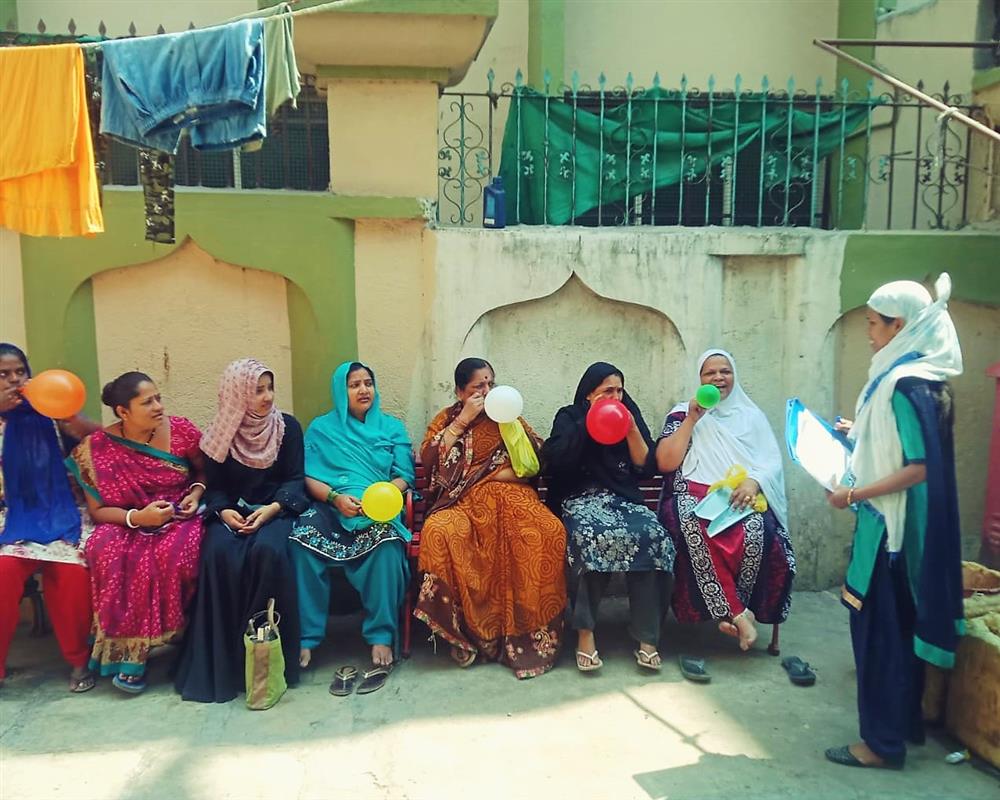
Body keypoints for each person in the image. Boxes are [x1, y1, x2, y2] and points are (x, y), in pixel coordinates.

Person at [824, 274, 963, 770]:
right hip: (902, 533)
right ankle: (903, 726)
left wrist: (853, 492)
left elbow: (917, 466)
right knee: (899, 629)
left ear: (898, 325)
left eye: (872, 323)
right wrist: (857, 432)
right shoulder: (918, 375)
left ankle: (880, 745)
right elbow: (896, 443)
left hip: (888, 532)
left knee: (878, 634)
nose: (868, 332)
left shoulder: (904, 386)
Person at [414, 358, 567, 679]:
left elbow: (536, 459)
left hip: (513, 499)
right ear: (460, 392)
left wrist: (501, 474)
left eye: (490, 384)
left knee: (548, 531)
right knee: (439, 532)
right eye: (477, 387)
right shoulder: (447, 419)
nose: (487, 392)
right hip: (463, 503)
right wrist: (462, 422)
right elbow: (428, 461)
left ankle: (528, 637)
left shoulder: (509, 415)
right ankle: (464, 636)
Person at [173, 359, 306, 703]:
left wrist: (272, 510)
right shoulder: (220, 434)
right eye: (257, 390)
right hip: (231, 513)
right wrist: (225, 511)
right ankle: (227, 664)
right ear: (238, 395)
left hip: (275, 511)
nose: (266, 397)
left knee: (268, 552)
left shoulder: (287, 428)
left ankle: (267, 661)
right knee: (218, 554)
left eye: (269, 388)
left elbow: (294, 480)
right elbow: (214, 488)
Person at [656, 349, 794, 676]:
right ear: (699, 379)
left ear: (734, 377)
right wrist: (693, 418)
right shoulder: (682, 414)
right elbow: (665, 462)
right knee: (693, 526)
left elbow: (770, 460)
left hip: (737, 494)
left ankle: (733, 614)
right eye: (710, 373)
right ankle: (735, 613)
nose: (718, 378)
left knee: (759, 532)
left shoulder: (751, 416)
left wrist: (754, 481)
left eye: (725, 372)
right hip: (690, 493)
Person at [66, 371, 205, 694]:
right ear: (123, 412)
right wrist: (137, 518)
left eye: (158, 398)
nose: (158, 406)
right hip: (125, 520)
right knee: (107, 550)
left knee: (175, 553)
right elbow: (99, 511)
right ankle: (131, 655)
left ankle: (177, 639)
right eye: (147, 402)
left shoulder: (182, 431)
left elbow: (204, 472)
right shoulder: (96, 448)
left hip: (180, 516)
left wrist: (196, 493)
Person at [542, 362, 675, 673]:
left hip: (623, 500)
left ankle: (647, 636)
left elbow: (645, 464)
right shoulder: (569, 416)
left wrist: (629, 428)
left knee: (652, 537)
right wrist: (587, 424)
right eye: (607, 391)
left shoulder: (628, 412)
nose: (616, 396)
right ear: (589, 394)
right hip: (580, 500)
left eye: (619, 390)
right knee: (590, 537)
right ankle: (585, 635)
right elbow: (556, 462)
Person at [290, 362, 413, 695]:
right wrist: (334, 497)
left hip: (378, 508)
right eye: (354, 384)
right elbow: (309, 476)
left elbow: (405, 476)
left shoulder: (392, 428)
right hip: (332, 507)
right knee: (301, 541)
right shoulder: (320, 429)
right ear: (339, 391)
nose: (363, 390)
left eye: (368, 383)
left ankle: (381, 635)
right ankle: (307, 637)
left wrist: (384, 496)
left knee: (387, 545)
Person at [0, 343, 99, 693]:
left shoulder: (50, 406)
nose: (15, 381)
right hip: (10, 518)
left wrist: (66, 416)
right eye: (3, 375)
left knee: (71, 572)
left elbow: (99, 441)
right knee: (3, 573)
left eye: (20, 372)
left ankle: (78, 660)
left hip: (63, 514)